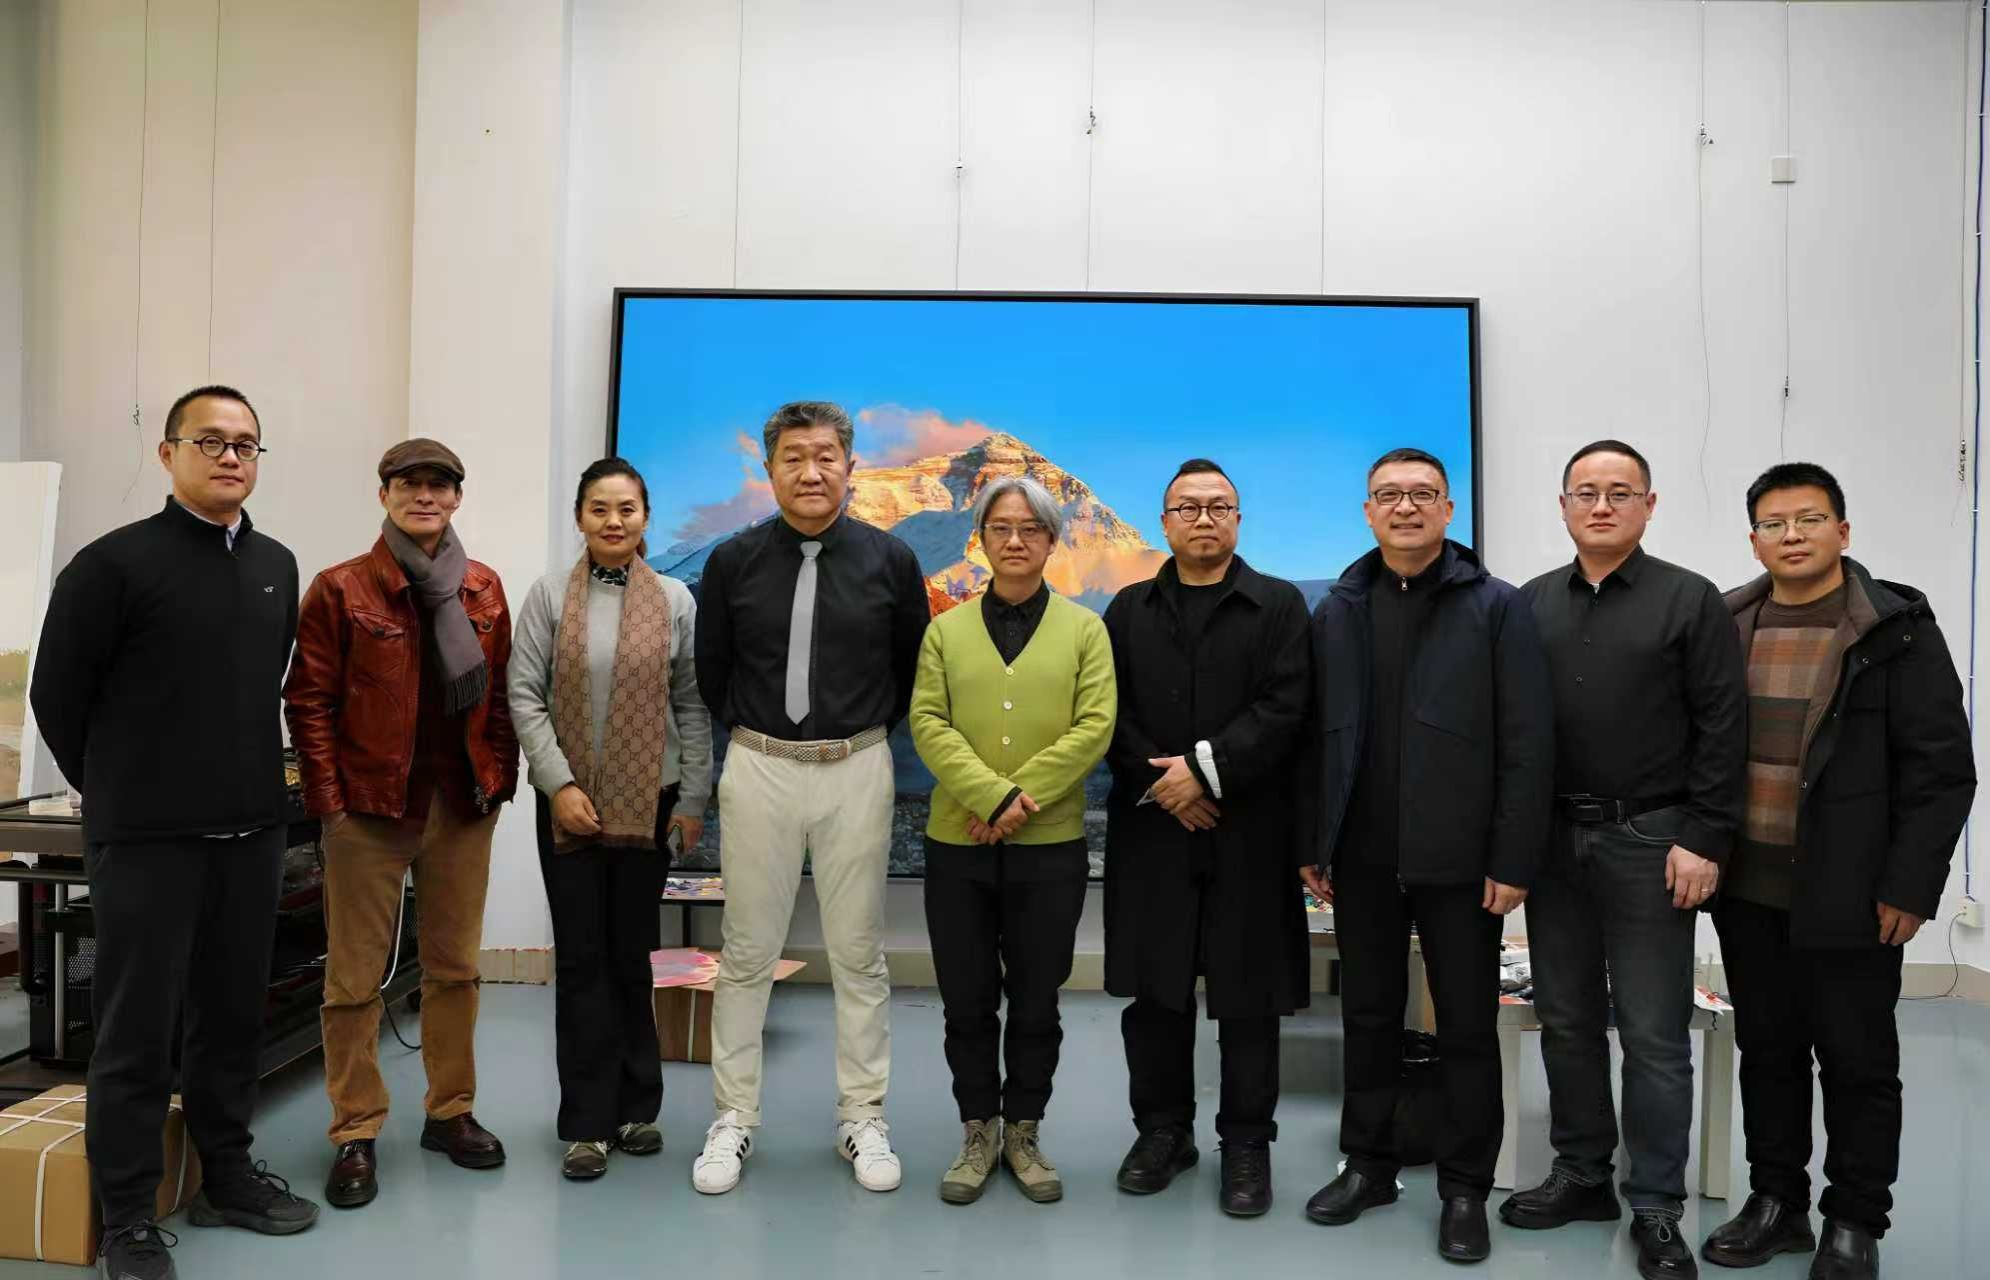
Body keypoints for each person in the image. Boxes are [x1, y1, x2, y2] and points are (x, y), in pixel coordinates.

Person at [30, 384, 318, 1280]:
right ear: (167, 454)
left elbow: (261, 689)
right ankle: (126, 1217)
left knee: (231, 1018)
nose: (231, 457)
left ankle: (226, 1175)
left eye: (246, 444)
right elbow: (56, 697)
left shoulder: (275, 564)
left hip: (251, 834)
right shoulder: (110, 566)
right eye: (211, 441)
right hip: (148, 842)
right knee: (137, 1030)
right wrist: (121, 791)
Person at [1700, 463, 1972, 1280]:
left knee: (1858, 1064)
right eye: (1774, 523)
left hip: (1852, 893)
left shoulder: (1895, 630)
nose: (1792, 535)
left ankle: (1854, 1220)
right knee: (1767, 1053)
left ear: (1842, 531)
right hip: (1749, 891)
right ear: (1754, 540)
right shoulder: (1726, 624)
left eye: (1810, 519)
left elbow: (1940, 772)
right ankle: (1777, 1202)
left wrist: (1909, 887)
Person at [1299, 447, 1552, 1264]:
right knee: (1368, 1017)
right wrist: (1315, 842)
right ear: (1367, 512)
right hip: (1362, 858)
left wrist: (1513, 858)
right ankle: (1368, 1165)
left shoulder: (1498, 608)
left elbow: (1527, 743)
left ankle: (1464, 1187)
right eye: (1389, 495)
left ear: (1448, 510)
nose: (1405, 507)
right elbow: (1315, 739)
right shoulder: (1338, 610)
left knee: (1467, 1026)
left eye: (1422, 494)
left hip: (1463, 862)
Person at [1505, 440, 1746, 1280]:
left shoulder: (1689, 599)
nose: (1601, 505)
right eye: (1586, 492)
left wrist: (1705, 836)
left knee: (1652, 1034)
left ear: (1649, 504)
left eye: (1619, 492)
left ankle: (1655, 1205)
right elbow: (1515, 731)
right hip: (1553, 843)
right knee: (1567, 1020)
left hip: (1653, 841)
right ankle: (1581, 1174)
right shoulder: (1530, 603)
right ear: (1563, 506)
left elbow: (1724, 725)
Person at [690, 400, 931, 1195]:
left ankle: (863, 1115)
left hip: (856, 765)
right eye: (793, 457)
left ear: (850, 467)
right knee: (746, 952)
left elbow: (908, 671)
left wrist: (854, 735)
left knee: (858, 952)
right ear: (769, 471)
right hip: (759, 763)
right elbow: (714, 671)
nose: (811, 471)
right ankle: (733, 1116)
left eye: (826, 456)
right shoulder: (732, 563)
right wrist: (761, 736)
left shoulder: (892, 561)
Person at [283, 439, 519, 1209]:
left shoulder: (483, 587)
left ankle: (451, 1113)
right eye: (409, 484)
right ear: (384, 494)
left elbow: (501, 695)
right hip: (370, 809)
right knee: (353, 979)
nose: (425, 496)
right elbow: (307, 700)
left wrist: (499, 782)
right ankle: (355, 1129)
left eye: (439, 486)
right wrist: (330, 802)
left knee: (454, 969)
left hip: (460, 808)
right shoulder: (340, 587)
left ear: (456, 499)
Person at [1101, 458, 1310, 1220]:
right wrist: (1169, 786)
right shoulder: (1127, 609)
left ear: (1238, 520)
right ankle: (1163, 1132)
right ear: (1164, 523)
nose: (1203, 519)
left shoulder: (1280, 606)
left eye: (1218, 506)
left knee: (1249, 997)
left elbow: (1286, 709)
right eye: (1187, 508)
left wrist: (1203, 773)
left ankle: (1247, 1144)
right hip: (1153, 829)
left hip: (1247, 829)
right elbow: (1106, 711)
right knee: (1155, 995)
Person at [908, 475, 1116, 1206]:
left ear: (1052, 539)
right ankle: (978, 1130)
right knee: (965, 1000)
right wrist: (990, 796)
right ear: (982, 539)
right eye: (1001, 527)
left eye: (1031, 528)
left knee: (1035, 999)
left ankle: (1024, 1131)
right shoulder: (945, 630)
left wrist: (1015, 799)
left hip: (1049, 848)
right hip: (956, 844)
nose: (1016, 540)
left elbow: (1094, 726)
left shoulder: (1086, 631)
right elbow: (928, 721)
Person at [509, 457, 712, 1180]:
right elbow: (524, 694)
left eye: (627, 508)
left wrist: (692, 799)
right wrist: (558, 784)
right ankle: (587, 1123)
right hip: (567, 805)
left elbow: (692, 702)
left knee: (631, 956)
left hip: (649, 803)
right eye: (599, 508)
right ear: (580, 518)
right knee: (581, 960)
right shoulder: (548, 596)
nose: (614, 520)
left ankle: (635, 1109)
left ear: (645, 517)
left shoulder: (677, 600)